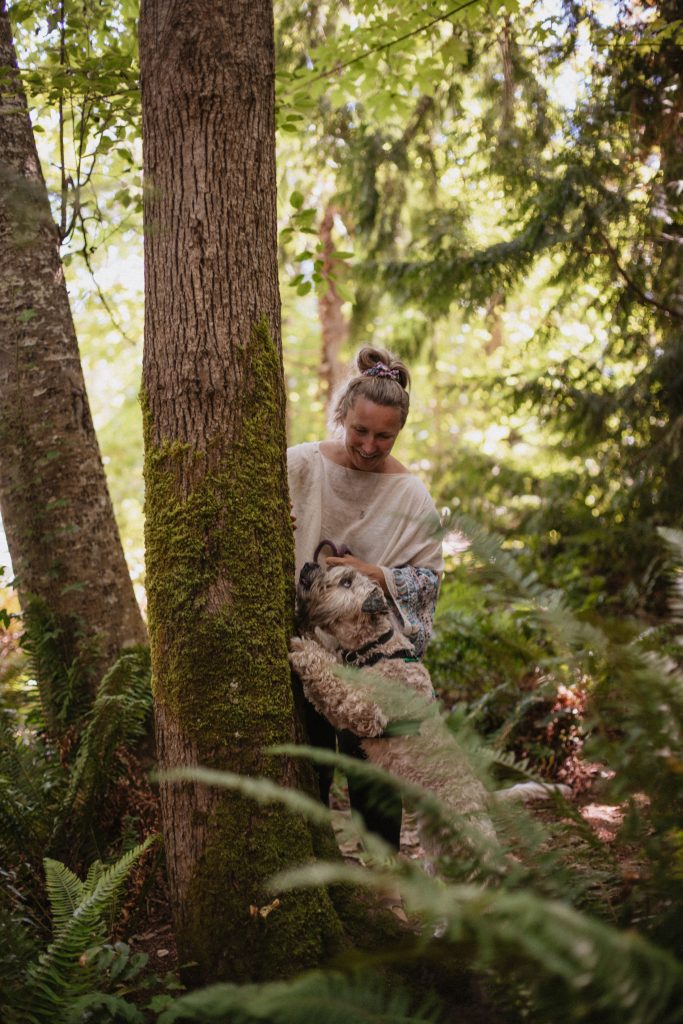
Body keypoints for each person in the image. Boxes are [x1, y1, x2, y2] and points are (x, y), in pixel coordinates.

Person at [287, 345, 444, 850]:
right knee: (307, 777)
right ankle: (322, 888)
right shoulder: (301, 466)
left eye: (384, 435)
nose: (370, 445)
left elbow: (428, 580)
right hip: (301, 655)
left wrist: (373, 573)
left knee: (375, 787)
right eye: (360, 430)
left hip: (372, 665)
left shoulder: (411, 496)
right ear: (342, 415)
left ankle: (386, 893)